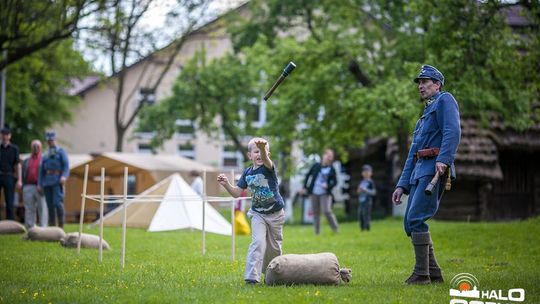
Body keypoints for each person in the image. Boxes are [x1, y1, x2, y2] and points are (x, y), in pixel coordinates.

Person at [392, 65, 461, 285]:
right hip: (420, 172)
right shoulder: (423, 117)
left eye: (425, 81)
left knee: (415, 219)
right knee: (409, 222)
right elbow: (413, 153)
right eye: (419, 82)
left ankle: (422, 274)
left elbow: (453, 131)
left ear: (437, 84)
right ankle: (434, 273)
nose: (421, 86)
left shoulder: (445, 100)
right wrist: (401, 185)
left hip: (435, 169)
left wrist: (444, 159)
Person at [217, 137, 285, 285]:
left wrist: (262, 150)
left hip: (275, 214)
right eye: (256, 151)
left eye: (263, 151)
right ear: (249, 155)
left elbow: (266, 160)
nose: (259, 154)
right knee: (258, 243)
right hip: (258, 214)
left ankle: (273, 276)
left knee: (274, 249)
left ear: (268, 154)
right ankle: (252, 278)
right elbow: (236, 193)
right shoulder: (247, 173)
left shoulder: (269, 168)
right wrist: (226, 184)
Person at [301, 149, 339, 234]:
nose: (329, 157)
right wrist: (305, 187)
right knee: (316, 213)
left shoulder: (332, 169)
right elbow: (308, 175)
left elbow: (335, 182)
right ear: (323, 155)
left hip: (325, 193)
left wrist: (328, 186)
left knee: (326, 211)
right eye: (327, 155)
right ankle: (317, 232)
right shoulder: (316, 166)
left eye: (330, 156)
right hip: (314, 192)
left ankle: (335, 229)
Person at [39, 131, 69, 228]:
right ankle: (52, 226)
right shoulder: (45, 154)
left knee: (57, 203)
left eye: (51, 140)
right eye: (48, 140)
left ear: (55, 140)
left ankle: (61, 225)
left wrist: (64, 176)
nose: (50, 142)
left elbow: (66, 166)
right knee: (49, 205)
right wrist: (40, 183)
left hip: (57, 180)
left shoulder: (61, 152)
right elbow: (41, 171)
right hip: (47, 182)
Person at [22, 140, 48, 228]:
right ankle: (30, 227)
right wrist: (23, 185)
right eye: (34, 146)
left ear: (40, 148)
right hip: (28, 186)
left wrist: (43, 184)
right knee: (29, 208)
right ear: (31, 148)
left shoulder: (44, 159)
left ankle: (43, 227)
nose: (36, 148)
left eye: (38, 146)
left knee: (42, 208)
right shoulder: (26, 160)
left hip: (40, 186)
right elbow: (23, 173)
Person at [0, 126, 22, 220]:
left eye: (6, 135)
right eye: (3, 135)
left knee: (10, 201)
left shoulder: (14, 149)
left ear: (10, 136)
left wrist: (19, 180)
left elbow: (17, 165)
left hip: (9, 176)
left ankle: (10, 223)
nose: (4, 137)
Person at [357, 164, 376, 231]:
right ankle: (362, 229)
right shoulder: (361, 182)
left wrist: (366, 190)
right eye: (364, 172)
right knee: (360, 215)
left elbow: (374, 192)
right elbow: (358, 191)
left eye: (367, 172)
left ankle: (367, 229)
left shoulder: (371, 182)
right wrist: (359, 190)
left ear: (371, 173)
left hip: (367, 201)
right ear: (362, 173)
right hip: (361, 201)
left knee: (366, 215)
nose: (366, 173)